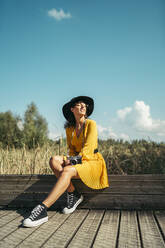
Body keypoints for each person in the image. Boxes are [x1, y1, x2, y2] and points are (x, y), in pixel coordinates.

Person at [23, 96, 109, 228]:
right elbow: (72, 149)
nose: (83, 107)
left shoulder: (91, 124)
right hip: (79, 161)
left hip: (92, 161)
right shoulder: (70, 128)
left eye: (84, 105)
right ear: (72, 109)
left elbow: (89, 148)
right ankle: (73, 193)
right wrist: (70, 159)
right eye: (79, 105)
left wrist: (73, 160)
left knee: (67, 170)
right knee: (54, 160)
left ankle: (42, 208)